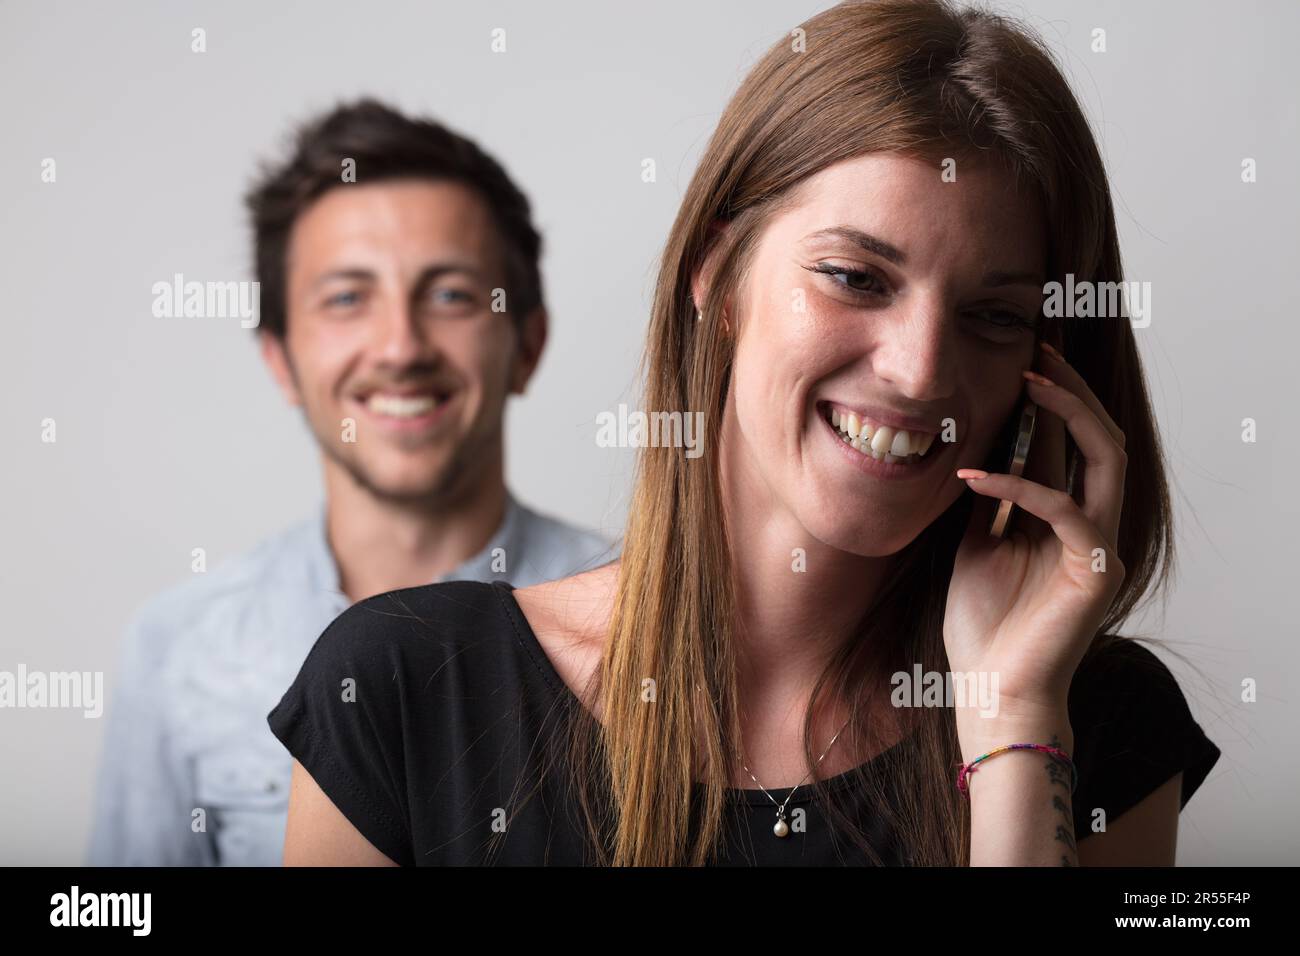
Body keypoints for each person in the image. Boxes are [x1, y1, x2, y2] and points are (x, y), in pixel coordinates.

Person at [268, 0, 1221, 866]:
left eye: (992, 315)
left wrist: (1013, 719)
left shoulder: (1096, 721)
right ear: (718, 274)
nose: (921, 368)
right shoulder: (407, 687)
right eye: (856, 276)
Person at [86, 99, 614, 866]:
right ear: (280, 358)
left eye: (451, 295)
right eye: (346, 299)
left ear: (527, 343)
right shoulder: (180, 649)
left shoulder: (652, 616)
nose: (400, 346)